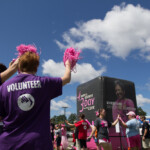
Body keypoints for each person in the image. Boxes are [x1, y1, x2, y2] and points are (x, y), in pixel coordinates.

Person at [0, 45, 72, 150]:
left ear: (18, 66)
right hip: (38, 143)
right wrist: (68, 64)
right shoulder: (45, 83)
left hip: (9, 143)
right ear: (36, 66)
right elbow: (67, 78)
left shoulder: (3, 87)